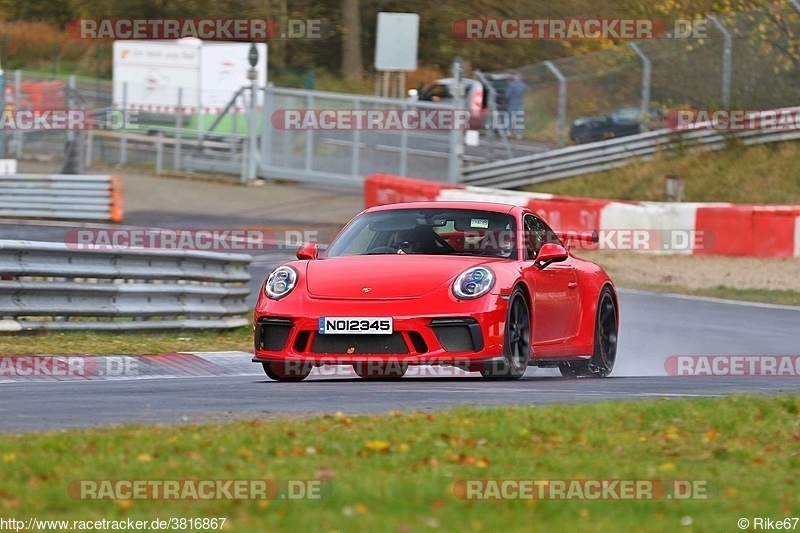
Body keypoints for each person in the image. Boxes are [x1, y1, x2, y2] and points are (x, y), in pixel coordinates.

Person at [504, 72, 527, 140]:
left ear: (516, 77)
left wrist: (505, 100)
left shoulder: (512, 84)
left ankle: (508, 131)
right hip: (520, 103)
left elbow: (508, 94)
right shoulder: (523, 85)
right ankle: (519, 134)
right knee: (519, 119)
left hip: (512, 103)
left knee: (508, 117)